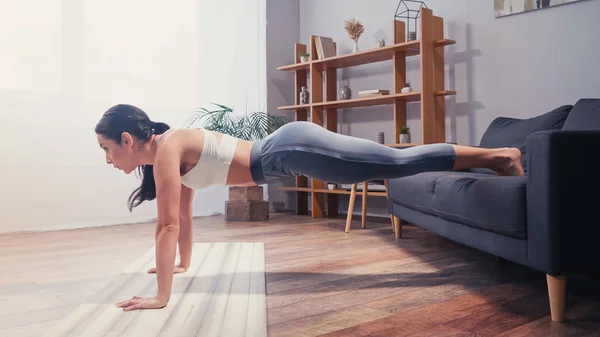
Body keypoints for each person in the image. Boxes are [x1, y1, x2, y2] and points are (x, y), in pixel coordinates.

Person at [94, 104, 523, 311]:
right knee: (393, 162)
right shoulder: (172, 155)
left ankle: (499, 155)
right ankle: (497, 158)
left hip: (290, 149)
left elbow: (165, 227)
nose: (108, 160)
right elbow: (182, 220)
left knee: (395, 161)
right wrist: (182, 267)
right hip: (288, 153)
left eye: (107, 150)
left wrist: (161, 297)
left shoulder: (169, 150)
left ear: (127, 140)